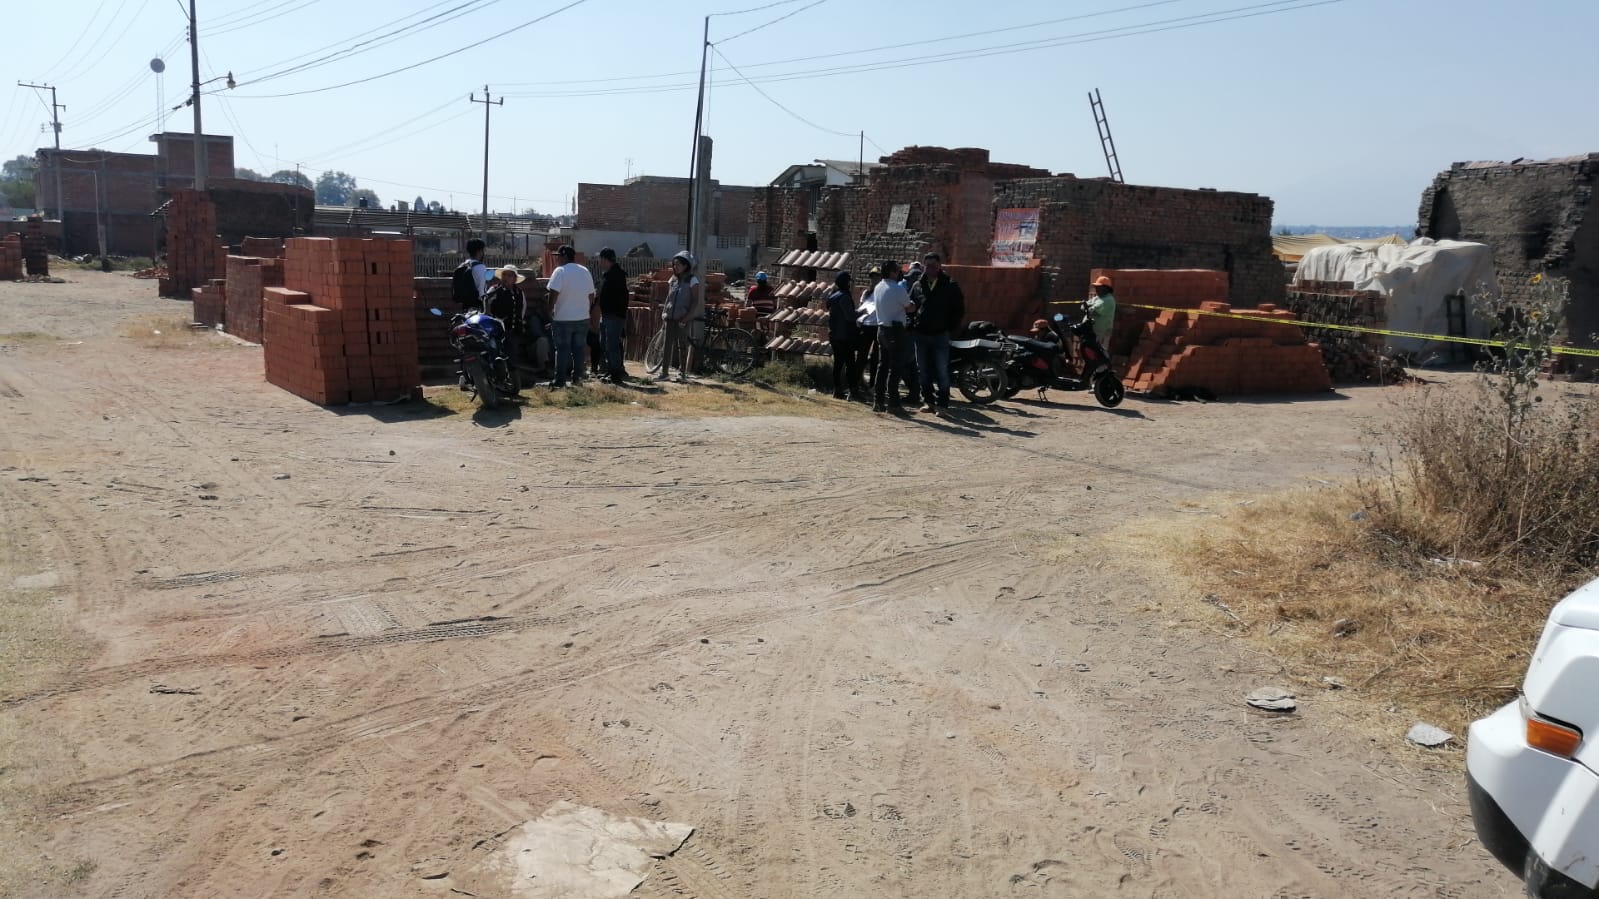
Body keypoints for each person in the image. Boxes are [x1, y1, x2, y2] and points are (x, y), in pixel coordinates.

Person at [908, 252, 965, 413]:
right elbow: (910, 307)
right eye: (927, 265)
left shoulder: (950, 285)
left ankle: (942, 404)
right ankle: (929, 401)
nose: (930, 269)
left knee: (941, 370)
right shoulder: (918, 285)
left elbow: (959, 310)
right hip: (921, 335)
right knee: (923, 370)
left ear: (940, 266)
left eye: (933, 265)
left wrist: (950, 328)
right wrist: (912, 324)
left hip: (940, 335)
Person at [545, 245, 595, 387]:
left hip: (563, 319)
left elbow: (553, 292)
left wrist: (550, 310)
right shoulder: (585, 271)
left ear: (565, 256)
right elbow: (591, 295)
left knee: (561, 350)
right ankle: (577, 378)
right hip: (582, 319)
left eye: (558, 256)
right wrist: (586, 309)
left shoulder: (560, 271)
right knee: (578, 350)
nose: (557, 260)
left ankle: (560, 380)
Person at [870, 260, 915, 413]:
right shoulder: (897, 289)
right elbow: (909, 308)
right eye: (897, 270)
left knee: (882, 366)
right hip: (896, 331)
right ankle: (894, 404)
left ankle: (878, 401)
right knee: (895, 368)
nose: (898, 273)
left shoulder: (878, 287)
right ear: (891, 272)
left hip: (882, 329)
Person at [661, 251, 705, 383]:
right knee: (667, 345)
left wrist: (688, 317)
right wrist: (664, 312)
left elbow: (695, 301)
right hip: (670, 317)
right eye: (674, 265)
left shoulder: (692, 280)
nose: (675, 267)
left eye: (678, 264)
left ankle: (682, 373)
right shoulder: (673, 279)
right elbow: (668, 297)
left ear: (686, 266)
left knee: (682, 345)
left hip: (683, 318)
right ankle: (664, 373)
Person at [825, 271, 861, 400]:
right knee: (850, 364)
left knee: (838, 363)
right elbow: (850, 317)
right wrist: (862, 312)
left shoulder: (832, 296)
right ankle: (853, 392)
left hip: (834, 335)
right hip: (845, 336)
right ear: (846, 283)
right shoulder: (845, 297)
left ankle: (837, 390)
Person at [596, 247, 630, 383]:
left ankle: (615, 374)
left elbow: (620, 298)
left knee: (612, 346)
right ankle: (610, 371)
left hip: (614, 316)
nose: (599, 262)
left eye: (600, 260)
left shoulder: (617, 275)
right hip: (607, 316)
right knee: (605, 344)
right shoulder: (608, 275)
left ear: (605, 260)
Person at [483, 264, 528, 364]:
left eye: (509, 275)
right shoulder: (494, 290)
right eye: (504, 275)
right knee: (496, 356)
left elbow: (523, 309)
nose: (506, 278)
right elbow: (487, 307)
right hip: (497, 331)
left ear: (515, 279)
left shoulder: (520, 292)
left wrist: (519, 322)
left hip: (514, 330)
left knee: (512, 357)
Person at [1083, 275, 1117, 368]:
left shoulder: (1108, 300)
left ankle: (1101, 377)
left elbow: (1092, 310)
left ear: (1106, 288)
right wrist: (1087, 308)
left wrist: (1088, 308)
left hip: (1101, 333)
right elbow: (1084, 306)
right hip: (1093, 332)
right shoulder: (1097, 298)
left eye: (1099, 288)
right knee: (1091, 356)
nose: (1096, 290)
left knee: (1099, 355)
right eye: (1096, 287)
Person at [452, 238, 488, 309]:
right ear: (479, 251)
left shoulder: (464, 264)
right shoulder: (480, 267)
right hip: (476, 305)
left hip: (465, 305)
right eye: (483, 250)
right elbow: (481, 290)